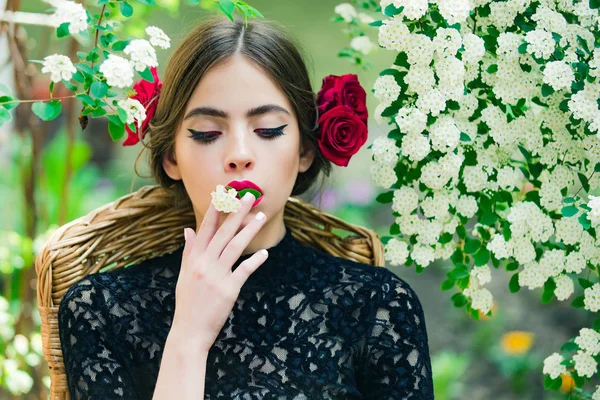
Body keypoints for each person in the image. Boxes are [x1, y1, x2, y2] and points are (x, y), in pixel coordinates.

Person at [57, 15, 434, 400]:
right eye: (207, 133)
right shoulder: (99, 310)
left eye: (268, 129)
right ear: (171, 156)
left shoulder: (378, 307)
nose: (239, 154)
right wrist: (188, 337)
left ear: (304, 150)